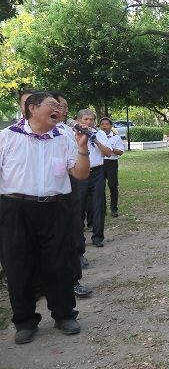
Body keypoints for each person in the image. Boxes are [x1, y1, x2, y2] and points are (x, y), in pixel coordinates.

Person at [0, 92, 91, 344]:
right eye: (53, 106)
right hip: (15, 208)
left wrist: (82, 148)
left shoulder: (64, 138)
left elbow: (80, 174)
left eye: (60, 108)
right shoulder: (7, 137)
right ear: (32, 108)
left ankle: (64, 315)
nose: (59, 111)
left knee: (59, 263)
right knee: (19, 265)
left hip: (55, 208)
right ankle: (25, 321)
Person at [50, 92, 92, 297]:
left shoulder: (67, 131)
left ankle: (73, 280)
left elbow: (78, 162)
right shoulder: (17, 134)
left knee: (72, 231)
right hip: (39, 195)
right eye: (60, 106)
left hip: (68, 185)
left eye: (65, 106)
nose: (64, 110)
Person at [76, 109, 113, 248]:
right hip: (81, 173)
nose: (89, 122)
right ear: (79, 120)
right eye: (85, 119)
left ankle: (98, 237)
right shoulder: (73, 134)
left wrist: (95, 139)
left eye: (91, 119)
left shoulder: (101, 134)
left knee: (98, 205)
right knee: (79, 206)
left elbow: (108, 153)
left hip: (97, 172)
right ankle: (79, 238)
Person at [98, 117, 124, 217]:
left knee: (113, 186)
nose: (104, 126)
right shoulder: (97, 137)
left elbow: (120, 151)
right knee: (100, 187)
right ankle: (102, 210)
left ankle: (114, 209)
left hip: (111, 164)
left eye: (107, 124)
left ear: (111, 126)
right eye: (102, 124)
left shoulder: (115, 137)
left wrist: (109, 149)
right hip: (100, 163)